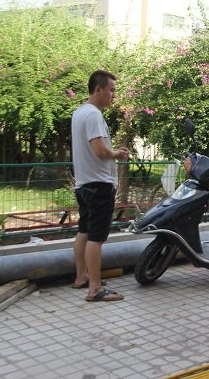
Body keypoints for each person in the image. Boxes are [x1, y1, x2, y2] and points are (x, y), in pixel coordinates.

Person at [71, 70, 129, 302]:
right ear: (98, 89)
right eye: (111, 90)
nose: (113, 96)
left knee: (84, 231)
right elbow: (100, 150)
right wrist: (118, 153)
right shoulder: (93, 115)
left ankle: (81, 276)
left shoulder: (79, 112)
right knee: (96, 237)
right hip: (99, 184)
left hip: (84, 183)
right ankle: (95, 288)